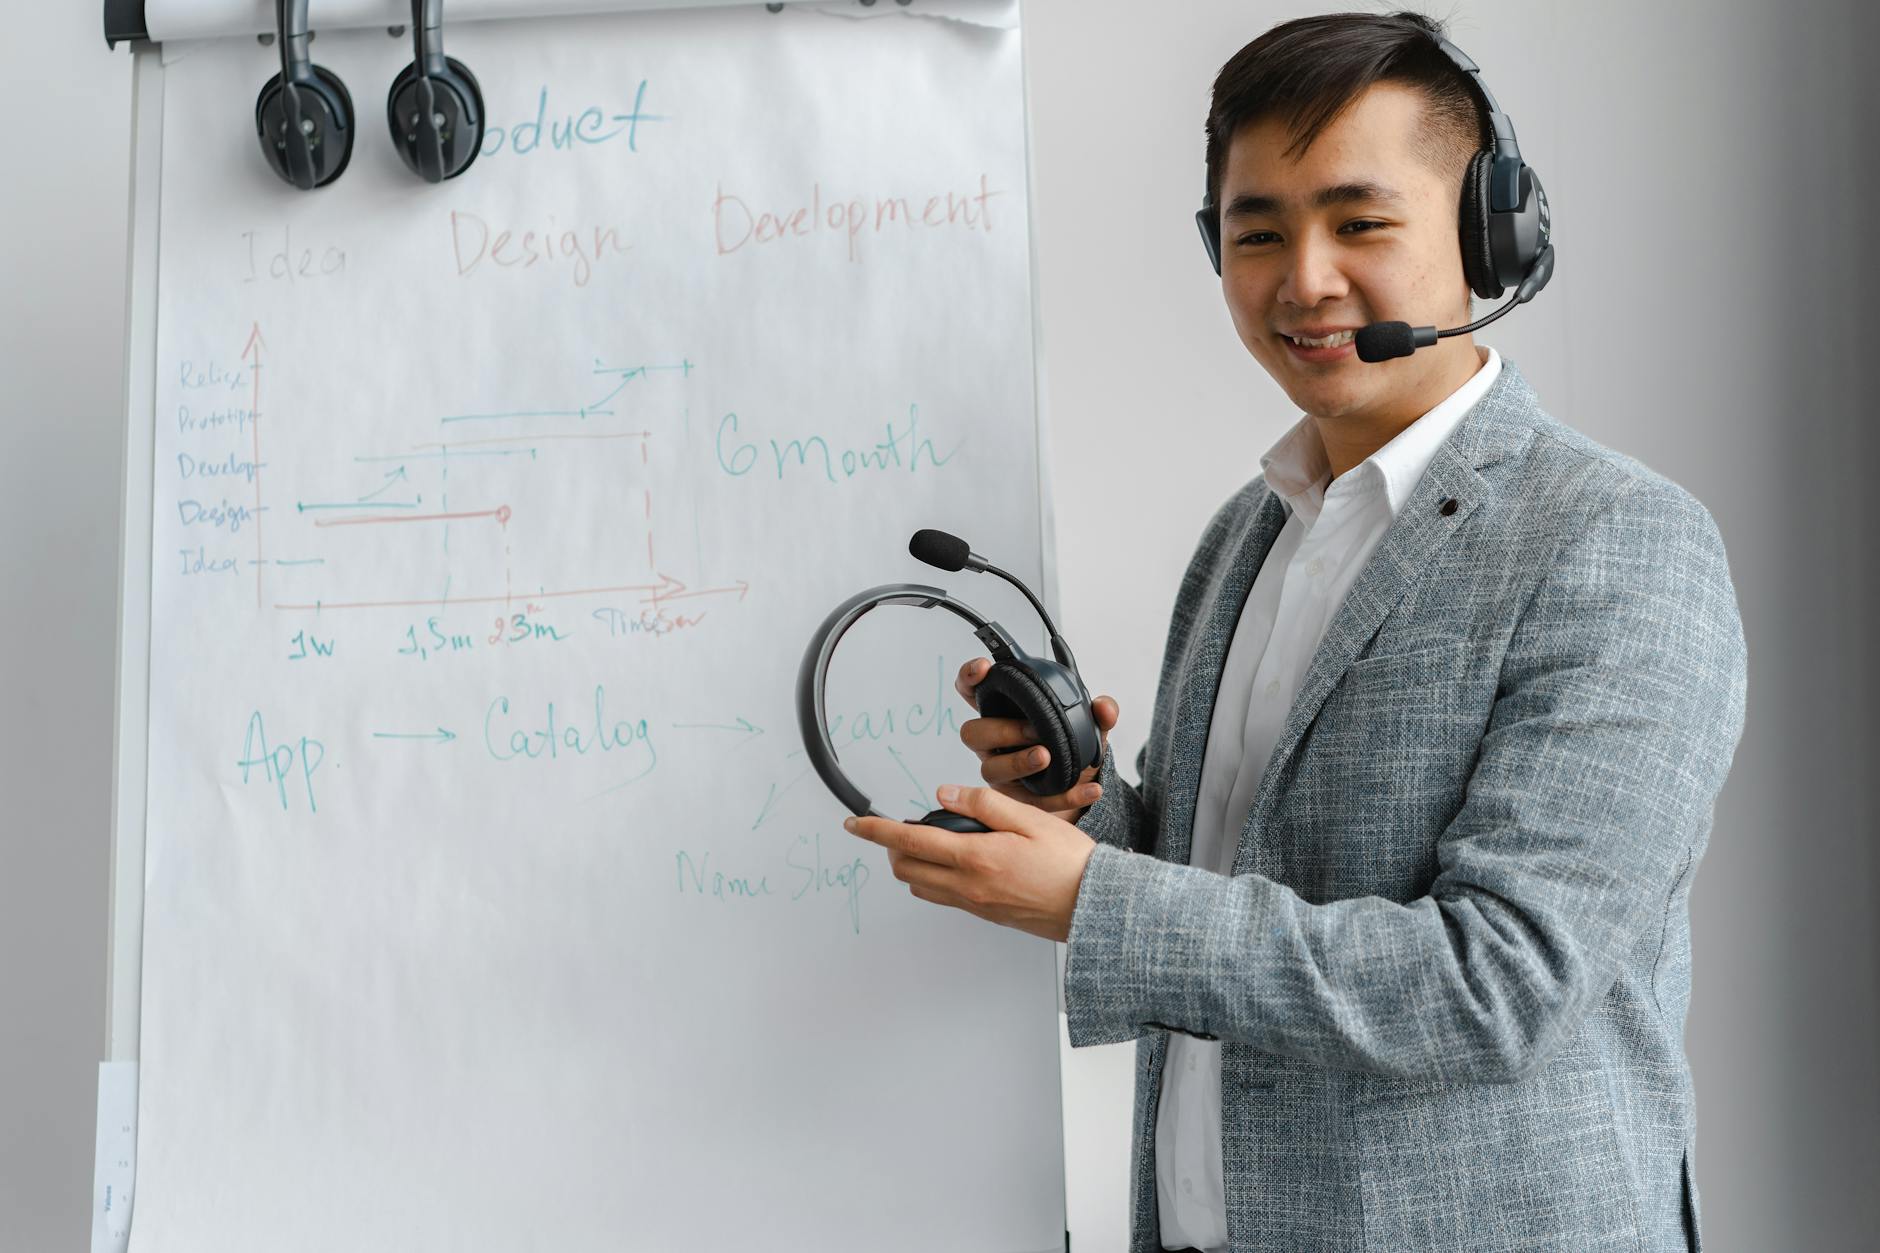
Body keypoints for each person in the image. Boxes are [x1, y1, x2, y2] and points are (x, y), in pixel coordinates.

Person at [843, 11, 1747, 1250]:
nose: (1302, 278)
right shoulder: (1249, 530)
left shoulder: (1615, 541)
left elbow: (1495, 982)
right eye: (1255, 231)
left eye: (1359, 222)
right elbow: (1241, 868)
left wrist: (1095, 900)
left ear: (1488, 238)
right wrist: (1086, 812)